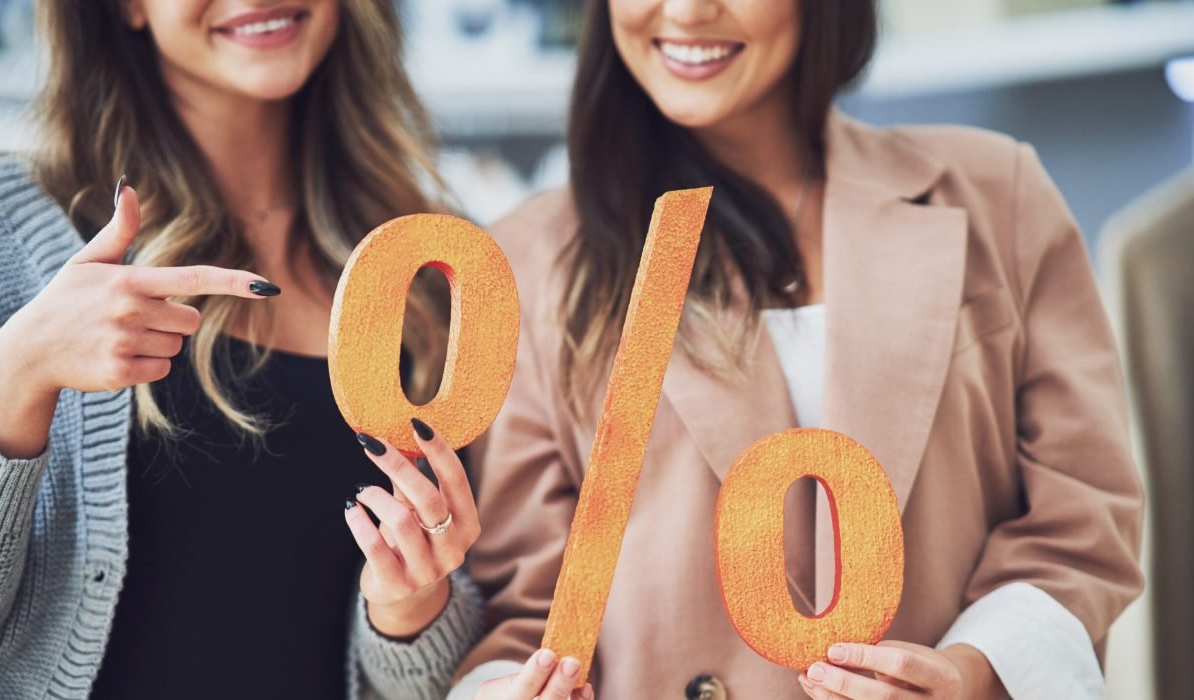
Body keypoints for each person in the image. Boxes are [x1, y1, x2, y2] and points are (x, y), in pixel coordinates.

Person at [454, 1, 1145, 698]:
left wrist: (975, 672)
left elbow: (1083, 517)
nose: (688, 11)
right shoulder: (527, 261)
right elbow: (529, 609)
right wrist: (509, 688)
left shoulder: (999, 196)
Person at [0, 1, 488, 697]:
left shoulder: (432, 272)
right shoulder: (10, 234)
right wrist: (16, 373)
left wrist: (411, 606)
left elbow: (434, 680)